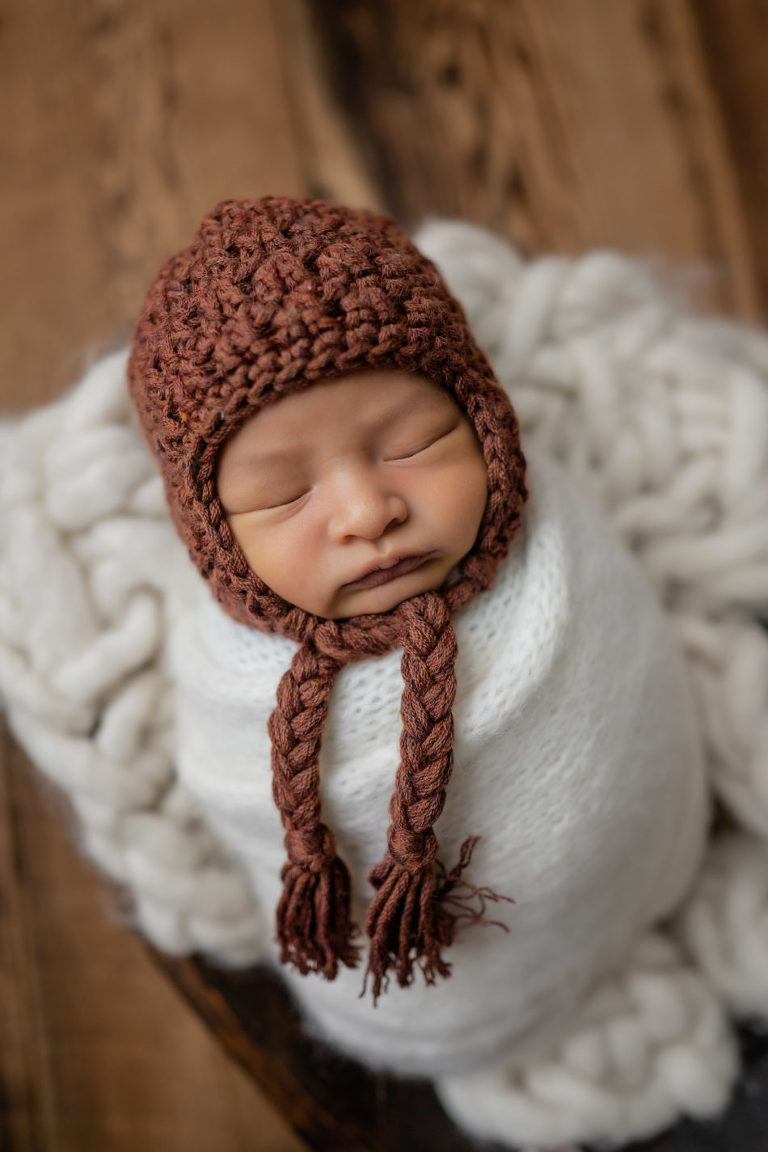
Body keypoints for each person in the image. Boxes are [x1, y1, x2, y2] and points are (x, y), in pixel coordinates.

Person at [127, 196, 712, 1128]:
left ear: (481, 414)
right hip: (453, 977)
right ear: (212, 538)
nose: (366, 510)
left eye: (413, 443)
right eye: (285, 495)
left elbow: (620, 709)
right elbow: (238, 797)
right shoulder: (236, 681)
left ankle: (644, 894)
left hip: (630, 863)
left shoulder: (556, 552)